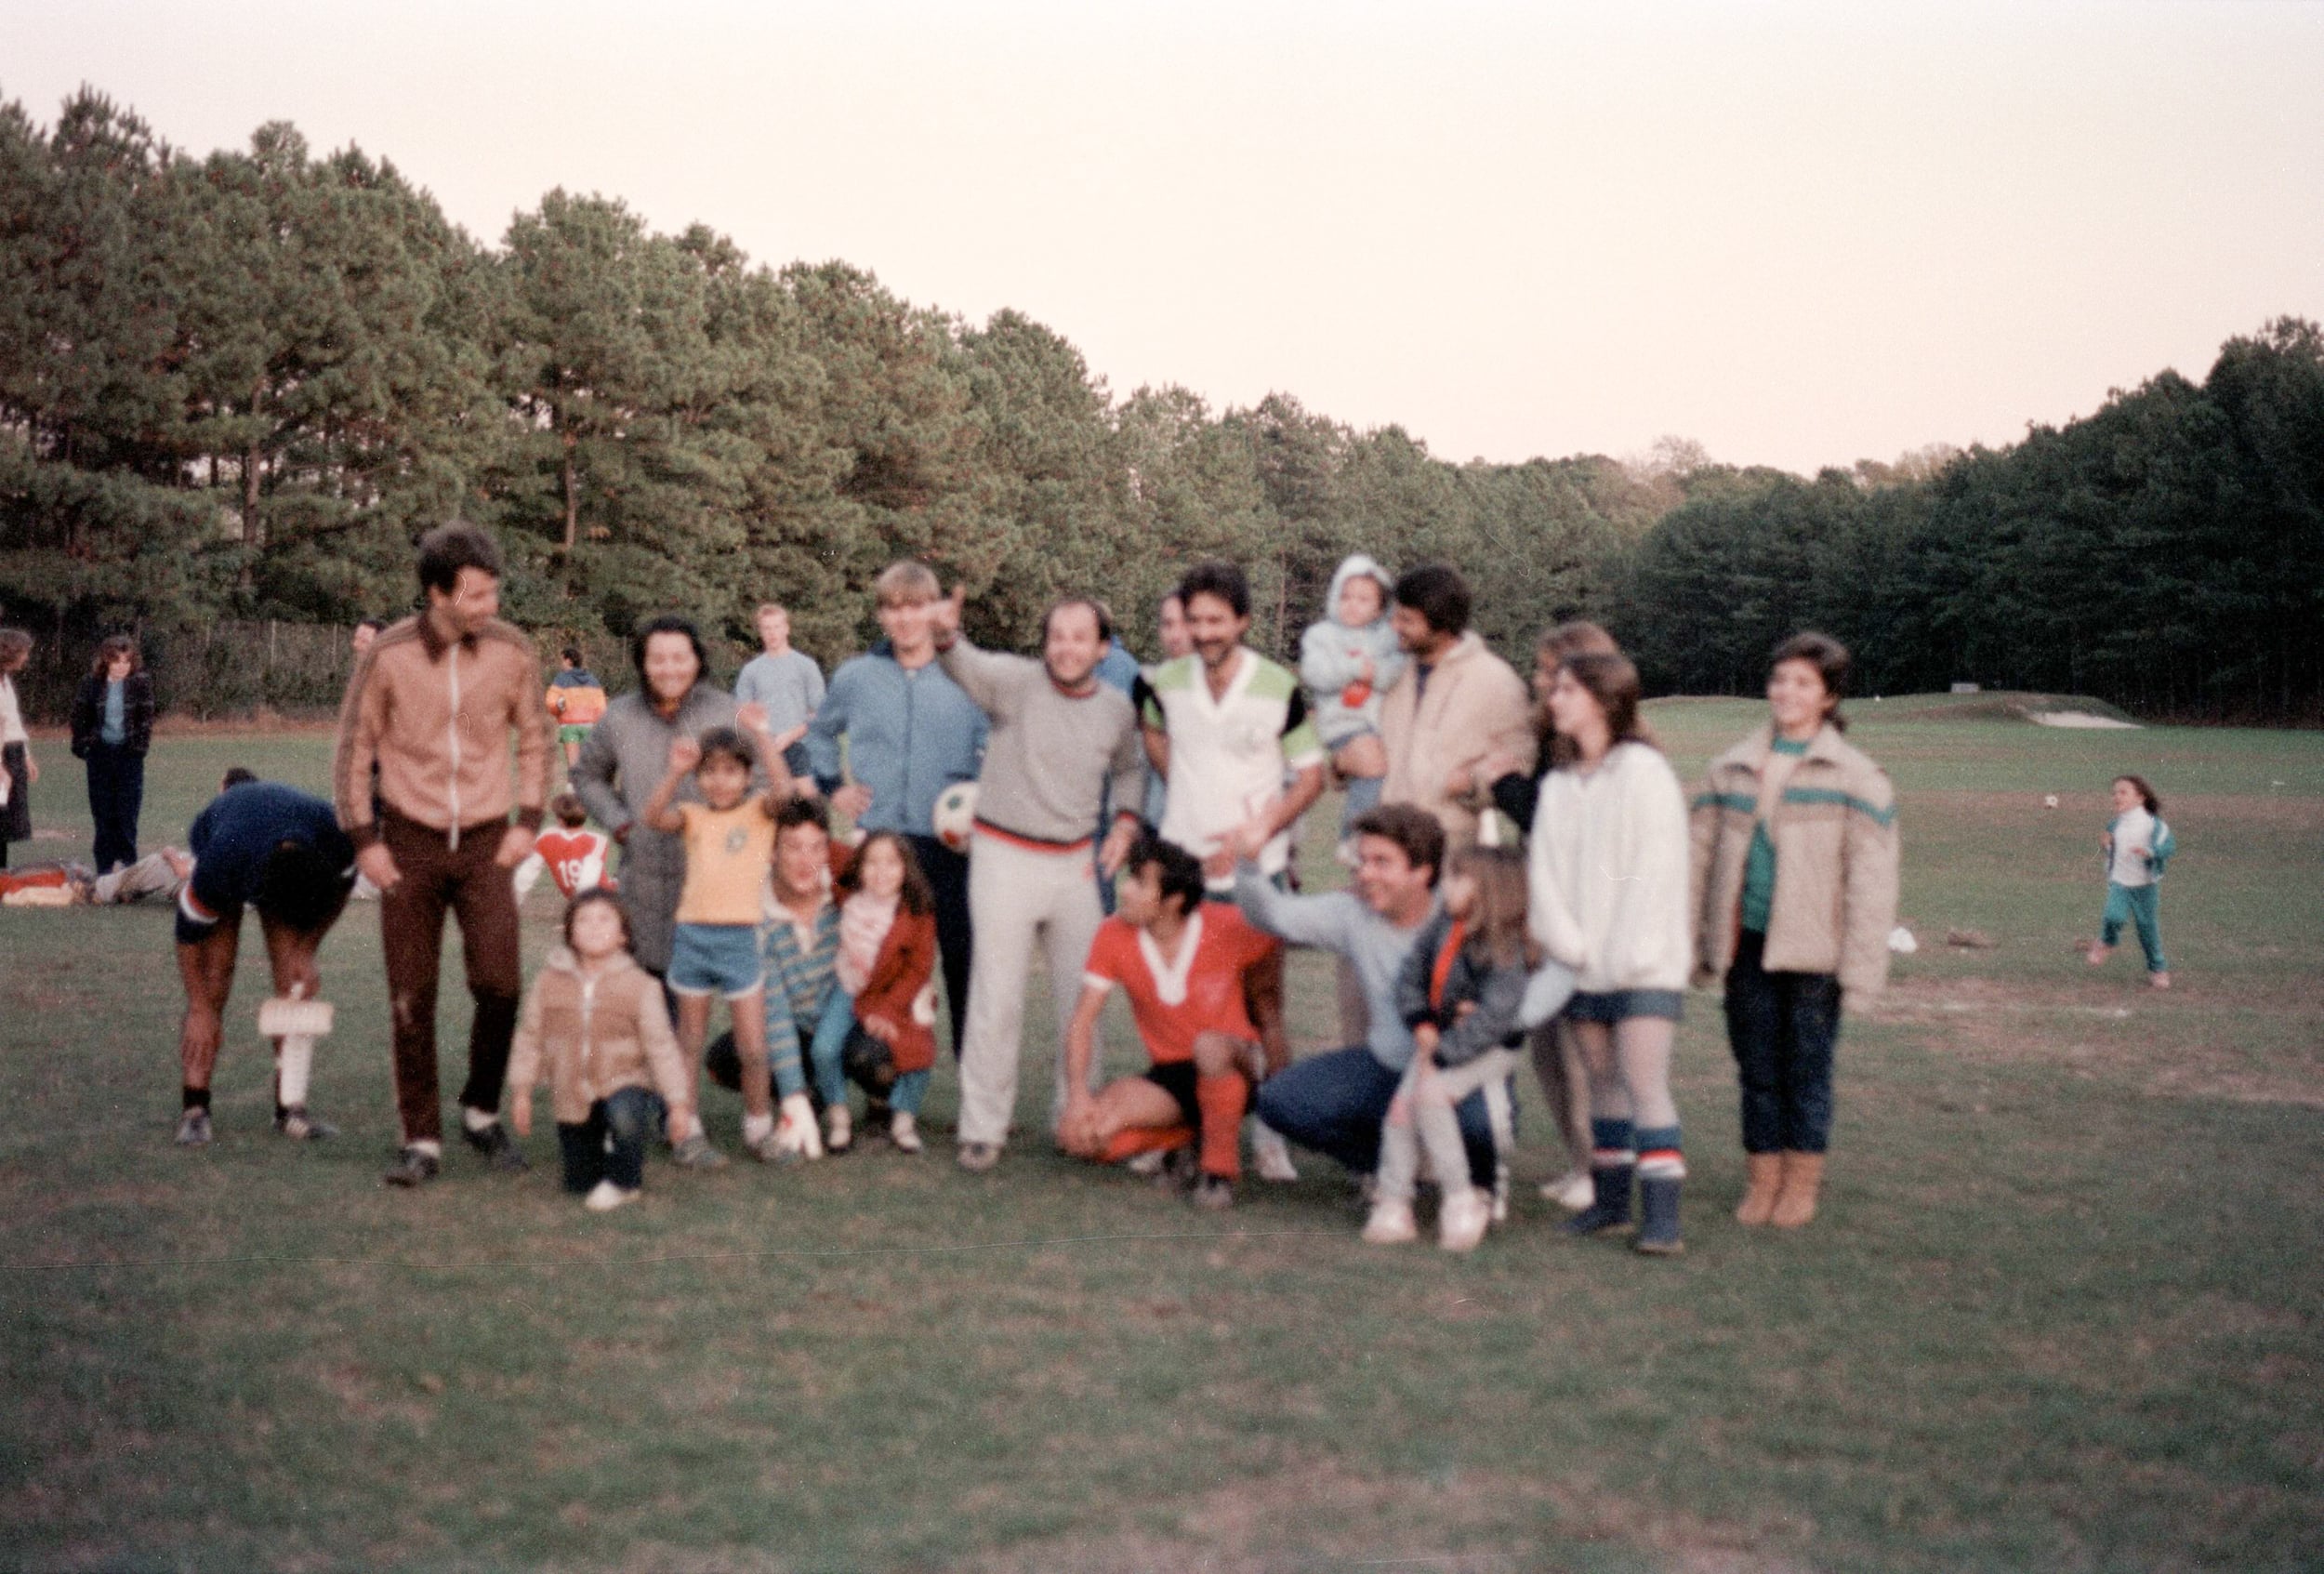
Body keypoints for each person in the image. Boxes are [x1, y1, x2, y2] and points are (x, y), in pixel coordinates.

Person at [332, 521, 552, 1188]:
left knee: (501, 984)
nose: (490, 606)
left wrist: (528, 820)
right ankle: (420, 1136)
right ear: (437, 592)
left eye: (493, 592)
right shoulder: (390, 654)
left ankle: (481, 1111)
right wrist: (365, 840)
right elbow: (354, 748)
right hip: (408, 844)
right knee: (411, 993)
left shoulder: (512, 650)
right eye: (476, 594)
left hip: (488, 842)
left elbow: (536, 738)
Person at [1693, 633, 1900, 1229]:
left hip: (1816, 956)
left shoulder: (1857, 777)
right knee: (1756, 1070)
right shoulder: (1729, 769)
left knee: (1806, 1071)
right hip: (1746, 946)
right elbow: (1696, 861)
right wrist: (1691, 942)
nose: (1787, 691)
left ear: (1829, 696)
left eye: (1804, 683)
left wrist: (1861, 971)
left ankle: (1800, 1185)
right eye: (1780, 679)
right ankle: (1763, 1182)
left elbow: (1872, 886)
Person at [934, 592, 1146, 1171]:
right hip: (1003, 857)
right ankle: (983, 1128)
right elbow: (963, 661)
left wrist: (1126, 823)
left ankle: (1074, 1117)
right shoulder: (1014, 683)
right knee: (996, 996)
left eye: (1080, 637)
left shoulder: (1116, 709)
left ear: (1103, 648)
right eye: (1057, 636)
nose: (1067, 648)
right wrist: (947, 634)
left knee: (1084, 996)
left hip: (1075, 865)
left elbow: (1130, 770)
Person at [1142, 561, 1327, 1182]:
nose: (1204, 632)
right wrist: (1183, 795)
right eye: (1194, 620)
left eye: (1216, 620)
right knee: (1179, 1009)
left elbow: (1312, 776)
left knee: (1263, 1005)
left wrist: (1262, 827)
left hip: (1253, 873)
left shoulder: (1277, 684)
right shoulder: (1165, 681)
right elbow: (1153, 731)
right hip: (1182, 876)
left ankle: (1274, 1136)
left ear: (1243, 621)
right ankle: (1180, 1132)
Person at [1235, 804, 1503, 1193]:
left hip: (1455, 1069)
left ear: (1422, 871)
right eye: (1363, 861)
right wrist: (1247, 864)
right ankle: (1384, 1165)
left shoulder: (1460, 917)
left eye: (1382, 862)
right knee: (1281, 1101)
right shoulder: (1353, 913)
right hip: (1385, 1066)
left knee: (1481, 1125)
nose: (1365, 874)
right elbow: (1272, 916)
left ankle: (1477, 1184)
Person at [1528, 652, 1693, 1255]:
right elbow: (1544, 873)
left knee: (1644, 1082)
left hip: (1645, 963)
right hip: (1582, 966)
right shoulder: (1559, 785)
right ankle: (1611, 1205)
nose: (1554, 699)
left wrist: (1628, 951)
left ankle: (1663, 1220)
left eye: (1567, 690)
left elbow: (1657, 868)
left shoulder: (1645, 772)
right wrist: (1569, 944)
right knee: (1602, 1083)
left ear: (1603, 699)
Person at [1459, 619, 1622, 1212]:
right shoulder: (1554, 743)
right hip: (1546, 905)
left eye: (1549, 672)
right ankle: (1579, 1160)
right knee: (1550, 1047)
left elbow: (1554, 825)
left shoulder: (1601, 752)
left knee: (1581, 1048)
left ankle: (1599, 1169)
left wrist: (1505, 783)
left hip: (1582, 913)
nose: (1538, 681)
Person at [805, 561, 987, 1056]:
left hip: (951, 848)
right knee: (880, 962)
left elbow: (996, 742)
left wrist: (981, 795)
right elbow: (820, 734)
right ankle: (879, 1077)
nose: (905, 619)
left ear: (934, 611)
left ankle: (975, 1084)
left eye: (916, 607)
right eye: (893, 608)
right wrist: (834, 787)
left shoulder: (965, 675)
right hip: (883, 848)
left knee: (965, 963)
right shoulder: (857, 676)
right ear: (881, 616)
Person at [1058, 835, 1279, 1210]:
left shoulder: (1225, 924)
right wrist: (1078, 1094)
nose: (1125, 889)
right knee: (1079, 1136)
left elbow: (1276, 934)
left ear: (1174, 900)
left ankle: (1218, 1172)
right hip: (1172, 1074)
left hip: (1235, 1061)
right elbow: (1082, 1020)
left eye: (1140, 882)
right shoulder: (1113, 933)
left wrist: (1268, 1014)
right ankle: (1185, 1140)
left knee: (1209, 1047)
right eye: (1130, 877)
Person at [639, 720, 801, 1164]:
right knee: (689, 1040)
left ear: (747, 777)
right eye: (709, 771)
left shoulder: (760, 812)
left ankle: (759, 1129)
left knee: (753, 1048)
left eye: (731, 771)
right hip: (693, 938)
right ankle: (685, 1131)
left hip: (741, 941)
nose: (720, 780)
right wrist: (675, 772)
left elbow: (787, 793)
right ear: (698, 778)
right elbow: (652, 816)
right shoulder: (692, 814)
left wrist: (764, 736)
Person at [1363, 843, 1534, 1251]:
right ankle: (1394, 1200)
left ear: (1487, 890)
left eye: (1457, 878)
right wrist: (1420, 1020)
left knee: (1432, 1095)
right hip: (1436, 1040)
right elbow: (1411, 975)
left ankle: (1460, 1198)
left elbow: (1494, 1019)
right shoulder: (1442, 926)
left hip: (1486, 1049)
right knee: (1401, 1109)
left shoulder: (1504, 948)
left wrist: (1442, 1056)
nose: (1446, 886)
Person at [573, 616, 755, 991]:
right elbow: (587, 776)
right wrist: (620, 821)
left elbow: (763, 781)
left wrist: (734, 832)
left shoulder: (727, 712)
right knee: (649, 996)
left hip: (713, 886)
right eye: (658, 659)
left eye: (679, 658)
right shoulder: (620, 716)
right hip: (643, 880)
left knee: (704, 999)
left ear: (697, 660)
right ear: (643, 663)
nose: (669, 669)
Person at [173, 778, 358, 1145]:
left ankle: (289, 1108)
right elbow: (187, 931)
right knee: (215, 976)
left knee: (293, 982)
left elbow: (342, 888)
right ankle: (195, 1109)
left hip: (283, 842)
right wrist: (198, 1007)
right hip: (226, 833)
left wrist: (307, 948)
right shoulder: (222, 861)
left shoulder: (336, 839)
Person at [507, 890, 695, 1211]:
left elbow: (662, 1047)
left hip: (623, 1081)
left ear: (623, 935)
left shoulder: (641, 985)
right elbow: (530, 1037)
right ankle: (601, 1149)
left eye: (605, 919)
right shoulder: (549, 981)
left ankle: (625, 1182)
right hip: (571, 1091)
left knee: (624, 1115)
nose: (594, 926)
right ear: (569, 933)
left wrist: (678, 1103)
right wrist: (522, 1091)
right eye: (584, 920)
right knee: (579, 1184)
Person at [705, 797, 846, 1147]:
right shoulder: (758, 912)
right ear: (771, 852)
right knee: (724, 1058)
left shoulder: (843, 893)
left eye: (816, 847)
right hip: (796, 1027)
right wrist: (793, 1093)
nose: (806, 861)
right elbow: (776, 1011)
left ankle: (879, 1110)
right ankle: (801, 1095)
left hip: (844, 1025)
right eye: (793, 847)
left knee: (872, 1053)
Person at [1379, 564, 1535, 850]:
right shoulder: (1391, 676)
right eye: (1394, 616)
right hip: (1388, 843)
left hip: (1453, 849)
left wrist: (1472, 783)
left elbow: (1521, 760)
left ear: (1441, 625)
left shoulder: (1495, 681)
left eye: (1406, 619)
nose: (1394, 627)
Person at [808, 831, 940, 1155]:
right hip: (850, 987)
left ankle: (903, 1120)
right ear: (859, 865)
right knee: (824, 1048)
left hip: (894, 993)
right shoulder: (850, 893)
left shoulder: (917, 911)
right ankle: (838, 1116)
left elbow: (918, 968)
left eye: (892, 863)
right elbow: (827, 847)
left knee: (917, 1051)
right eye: (872, 862)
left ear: (906, 868)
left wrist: (888, 1009)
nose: (881, 872)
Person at [1300, 554, 1406, 841]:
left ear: (1380, 607)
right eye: (1345, 596)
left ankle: (1376, 838)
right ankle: (1354, 837)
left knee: (1383, 782)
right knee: (1371, 772)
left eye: (1363, 599)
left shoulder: (1386, 638)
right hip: (1343, 723)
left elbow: (1398, 670)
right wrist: (1355, 668)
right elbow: (1314, 673)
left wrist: (1376, 674)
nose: (1352, 604)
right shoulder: (1322, 636)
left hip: (1380, 724)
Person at [69, 634, 157, 875]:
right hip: (100, 755)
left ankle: (128, 873)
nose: (121, 666)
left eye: (126, 661)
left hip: (129, 756)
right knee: (103, 816)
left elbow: (146, 719)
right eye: (116, 661)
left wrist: (139, 749)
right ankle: (104, 873)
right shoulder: (91, 683)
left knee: (127, 816)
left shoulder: (141, 682)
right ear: (106, 660)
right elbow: (79, 717)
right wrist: (84, 746)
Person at [2086, 774, 2174, 990]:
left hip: (2145, 886)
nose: (2117, 796)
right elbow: (2113, 850)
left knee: (2147, 930)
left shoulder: (2153, 824)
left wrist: (2150, 852)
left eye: (2123, 792)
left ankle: (2157, 969)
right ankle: (2107, 942)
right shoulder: (2115, 824)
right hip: (2120, 883)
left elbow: (2168, 846)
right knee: (2113, 916)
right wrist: (2106, 845)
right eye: (2115, 793)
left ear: (2140, 797)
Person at [734, 603, 826, 779]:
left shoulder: (806, 666)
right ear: (760, 632)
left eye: (777, 627)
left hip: (801, 749)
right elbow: (742, 713)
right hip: (764, 751)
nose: (772, 633)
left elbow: (820, 713)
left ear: (786, 628)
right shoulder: (750, 670)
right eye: (767, 628)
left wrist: (790, 736)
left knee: (804, 796)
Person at [514, 791, 615, 904]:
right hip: (605, 899)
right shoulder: (597, 840)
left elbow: (524, 876)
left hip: (588, 899)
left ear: (560, 821)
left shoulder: (546, 838)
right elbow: (587, 880)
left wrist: (511, 904)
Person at [0, 628, 37, 869]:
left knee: (6, 820)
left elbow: (13, 722)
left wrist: (26, 756)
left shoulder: (5, 681)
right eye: (23, 652)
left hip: (12, 753)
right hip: (2, 757)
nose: (26, 657)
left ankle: (2, 874)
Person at [546, 646, 609, 770]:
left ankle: (574, 782)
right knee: (589, 764)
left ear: (568, 661)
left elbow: (551, 703)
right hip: (589, 726)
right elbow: (601, 707)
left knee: (573, 764)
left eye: (562, 660)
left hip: (569, 727)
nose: (561, 664)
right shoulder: (592, 679)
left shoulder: (561, 679)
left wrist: (558, 708)